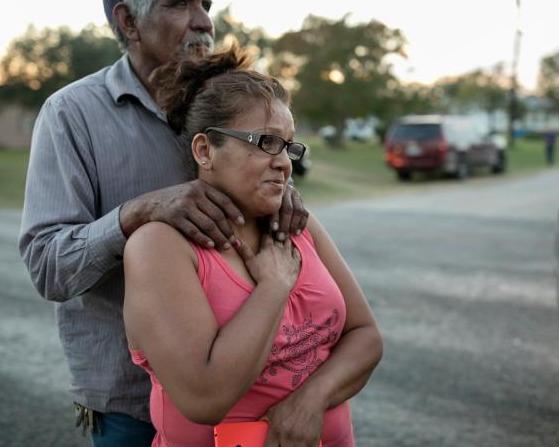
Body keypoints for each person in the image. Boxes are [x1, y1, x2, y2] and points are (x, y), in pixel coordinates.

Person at [18, 0, 308, 445]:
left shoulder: (229, 104)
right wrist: (137, 213)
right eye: (180, 4)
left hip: (258, 391)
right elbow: (48, 267)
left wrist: (283, 196)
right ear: (128, 21)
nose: (203, 23)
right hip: (132, 409)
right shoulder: (71, 115)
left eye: (206, 5)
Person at [123, 46, 383, 447]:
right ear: (205, 150)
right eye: (266, 142)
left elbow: (365, 336)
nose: (284, 163)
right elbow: (204, 398)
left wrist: (310, 401)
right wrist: (273, 287)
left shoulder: (299, 226)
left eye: (290, 146)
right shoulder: (160, 246)